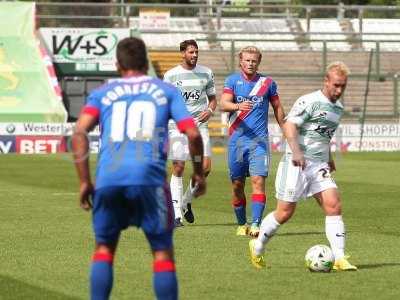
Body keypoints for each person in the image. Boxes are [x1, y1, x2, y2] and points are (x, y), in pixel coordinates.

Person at [71, 37, 206, 300]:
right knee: (162, 254)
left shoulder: (102, 93)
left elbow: (79, 134)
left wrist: (85, 181)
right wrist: (199, 172)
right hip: (150, 181)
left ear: (117, 64)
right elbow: (192, 133)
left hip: (109, 179)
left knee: (104, 250)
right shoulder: (166, 91)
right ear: (145, 62)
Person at [249, 61, 357, 271]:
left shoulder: (338, 108)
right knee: (285, 212)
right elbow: (289, 125)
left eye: (343, 86)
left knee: (333, 204)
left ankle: (340, 258)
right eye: (336, 84)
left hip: (318, 165)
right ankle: (258, 244)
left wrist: (329, 158)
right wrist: (297, 151)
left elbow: (324, 136)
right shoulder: (310, 101)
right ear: (326, 81)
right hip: (295, 162)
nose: (339, 90)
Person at [220, 46, 285, 237]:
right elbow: (223, 104)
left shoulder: (268, 83)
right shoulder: (232, 80)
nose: (250, 63)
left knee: (258, 181)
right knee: (237, 185)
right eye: (247, 60)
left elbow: (278, 108)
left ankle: (256, 224)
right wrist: (238, 105)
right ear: (241, 61)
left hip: (259, 141)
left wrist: (288, 133)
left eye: (254, 61)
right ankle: (242, 223)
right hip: (237, 141)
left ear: (259, 62)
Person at [164, 39, 217, 226]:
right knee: (178, 167)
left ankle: (186, 201)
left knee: (206, 168)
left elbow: (213, 100)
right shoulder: (171, 75)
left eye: (196, 52)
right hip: (177, 126)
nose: (194, 55)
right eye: (191, 52)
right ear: (182, 53)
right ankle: (176, 214)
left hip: (199, 125)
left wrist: (209, 111)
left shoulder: (206, 72)